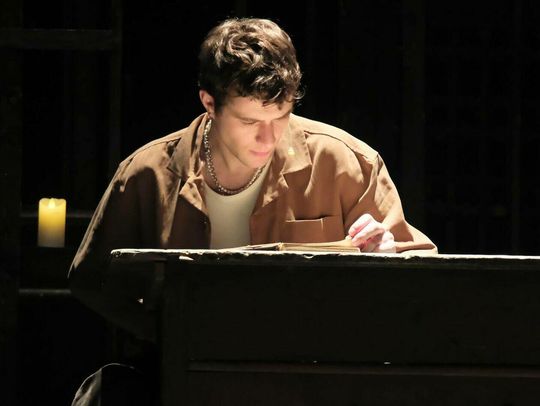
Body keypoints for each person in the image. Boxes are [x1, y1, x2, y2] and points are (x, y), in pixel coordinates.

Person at [69, 17, 436, 405]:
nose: (268, 136)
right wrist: (168, 329)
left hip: (310, 379)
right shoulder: (148, 173)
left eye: (281, 116)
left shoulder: (346, 162)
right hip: (184, 376)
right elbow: (92, 278)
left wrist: (387, 257)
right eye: (249, 121)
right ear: (209, 103)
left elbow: (425, 275)